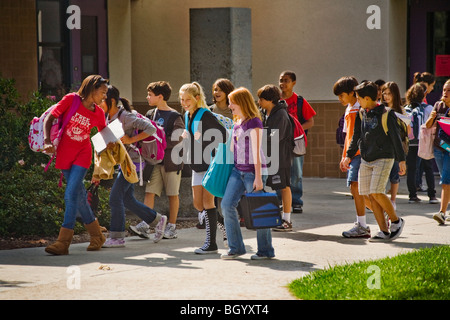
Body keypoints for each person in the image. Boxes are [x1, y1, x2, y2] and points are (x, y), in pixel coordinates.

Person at [94, 85, 167, 247]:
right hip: (124, 162)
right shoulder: (108, 117)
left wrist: (131, 140)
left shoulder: (125, 116)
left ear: (111, 101)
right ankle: (157, 220)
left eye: (103, 98)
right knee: (127, 199)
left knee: (115, 198)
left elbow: (151, 128)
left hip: (134, 163)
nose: (99, 102)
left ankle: (117, 237)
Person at [43, 75, 109, 255]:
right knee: (79, 195)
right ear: (92, 89)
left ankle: (63, 242)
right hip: (64, 154)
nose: (104, 97)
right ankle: (97, 236)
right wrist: (47, 140)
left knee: (71, 193)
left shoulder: (99, 113)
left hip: (83, 154)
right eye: (102, 93)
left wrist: (116, 147)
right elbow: (50, 118)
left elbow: (104, 134)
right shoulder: (71, 100)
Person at [343, 81, 406, 242]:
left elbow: (395, 138)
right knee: (369, 194)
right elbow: (356, 136)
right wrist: (348, 156)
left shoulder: (386, 113)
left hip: (384, 157)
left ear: (367, 98)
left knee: (377, 191)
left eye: (358, 98)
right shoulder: (362, 113)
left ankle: (396, 221)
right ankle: (384, 231)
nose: (357, 101)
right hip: (366, 158)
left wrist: (401, 160)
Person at [221, 87, 273, 259]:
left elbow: (257, 152)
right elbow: (233, 148)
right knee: (227, 205)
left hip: (253, 172)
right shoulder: (237, 122)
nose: (230, 106)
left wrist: (258, 177)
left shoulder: (254, 122)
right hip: (238, 170)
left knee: (259, 209)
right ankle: (236, 248)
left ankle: (265, 251)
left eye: (232, 102)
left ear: (241, 102)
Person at [180, 82, 228, 254]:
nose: (185, 103)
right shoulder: (187, 115)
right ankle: (226, 228)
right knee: (198, 204)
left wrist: (204, 138)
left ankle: (211, 244)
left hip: (209, 164)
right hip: (196, 164)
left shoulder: (205, 115)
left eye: (188, 99)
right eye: (182, 99)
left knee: (208, 203)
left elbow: (223, 134)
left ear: (197, 98)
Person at [139, 81, 185, 239]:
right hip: (154, 163)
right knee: (149, 192)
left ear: (160, 97)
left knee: (173, 194)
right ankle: (145, 224)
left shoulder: (174, 116)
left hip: (171, 162)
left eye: (150, 95)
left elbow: (179, 137)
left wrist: (160, 143)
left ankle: (172, 227)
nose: (147, 97)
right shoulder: (150, 114)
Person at [333, 76, 371, 238]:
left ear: (352, 93)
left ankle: (362, 225)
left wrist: (349, 156)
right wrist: (344, 156)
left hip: (359, 154)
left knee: (356, 188)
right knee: (358, 189)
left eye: (342, 95)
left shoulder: (358, 109)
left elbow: (357, 137)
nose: (340, 99)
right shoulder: (349, 108)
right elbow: (348, 136)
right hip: (351, 154)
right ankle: (381, 214)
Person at [279, 71, 316, 214]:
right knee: (280, 172)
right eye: (281, 80)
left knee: (296, 173)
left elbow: (310, 121)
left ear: (293, 83)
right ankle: (281, 201)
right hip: (280, 143)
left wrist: (296, 129)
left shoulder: (300, 101)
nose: (283, 83)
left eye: (286, 80)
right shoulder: (276, 100)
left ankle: (296, 201)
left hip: (296, 143)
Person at [257, 84, 293, 231]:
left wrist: (259, 136)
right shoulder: (267, 113)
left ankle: (287, 220)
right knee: (275, 187)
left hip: (280, 158)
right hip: (270, 157)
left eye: (261, 99)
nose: (258, 101)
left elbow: (275, 136)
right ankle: (276, 216)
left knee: (284, 187)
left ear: (270, 100)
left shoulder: (281, 115)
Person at [404, 83, 436, 203]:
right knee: (428, 167)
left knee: (411, 169)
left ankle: (412, 195)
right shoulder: (428, 108)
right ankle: (432, 195)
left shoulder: (405, 109)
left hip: (411, 143)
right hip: (424, 142)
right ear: (423, 95)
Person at [381, 81, 410, 210]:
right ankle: (381, 200)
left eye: (389, 94)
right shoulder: (380, 109)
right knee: (382, 176)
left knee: (394, 175)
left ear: (395, 95)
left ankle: (392, 201)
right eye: (384, 93)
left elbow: (408, 130)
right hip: (382, 146)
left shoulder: (400, 110)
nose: (386, 96)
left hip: (396, 147)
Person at [425, 79, 450, 224]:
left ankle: (441, 213)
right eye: (444, 90)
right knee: (446, 178)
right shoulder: (438, 105)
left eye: (448, 90)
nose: (445, 93)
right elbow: (428, 125)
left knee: (445, 181)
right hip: (439, 146)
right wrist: (432, 117)